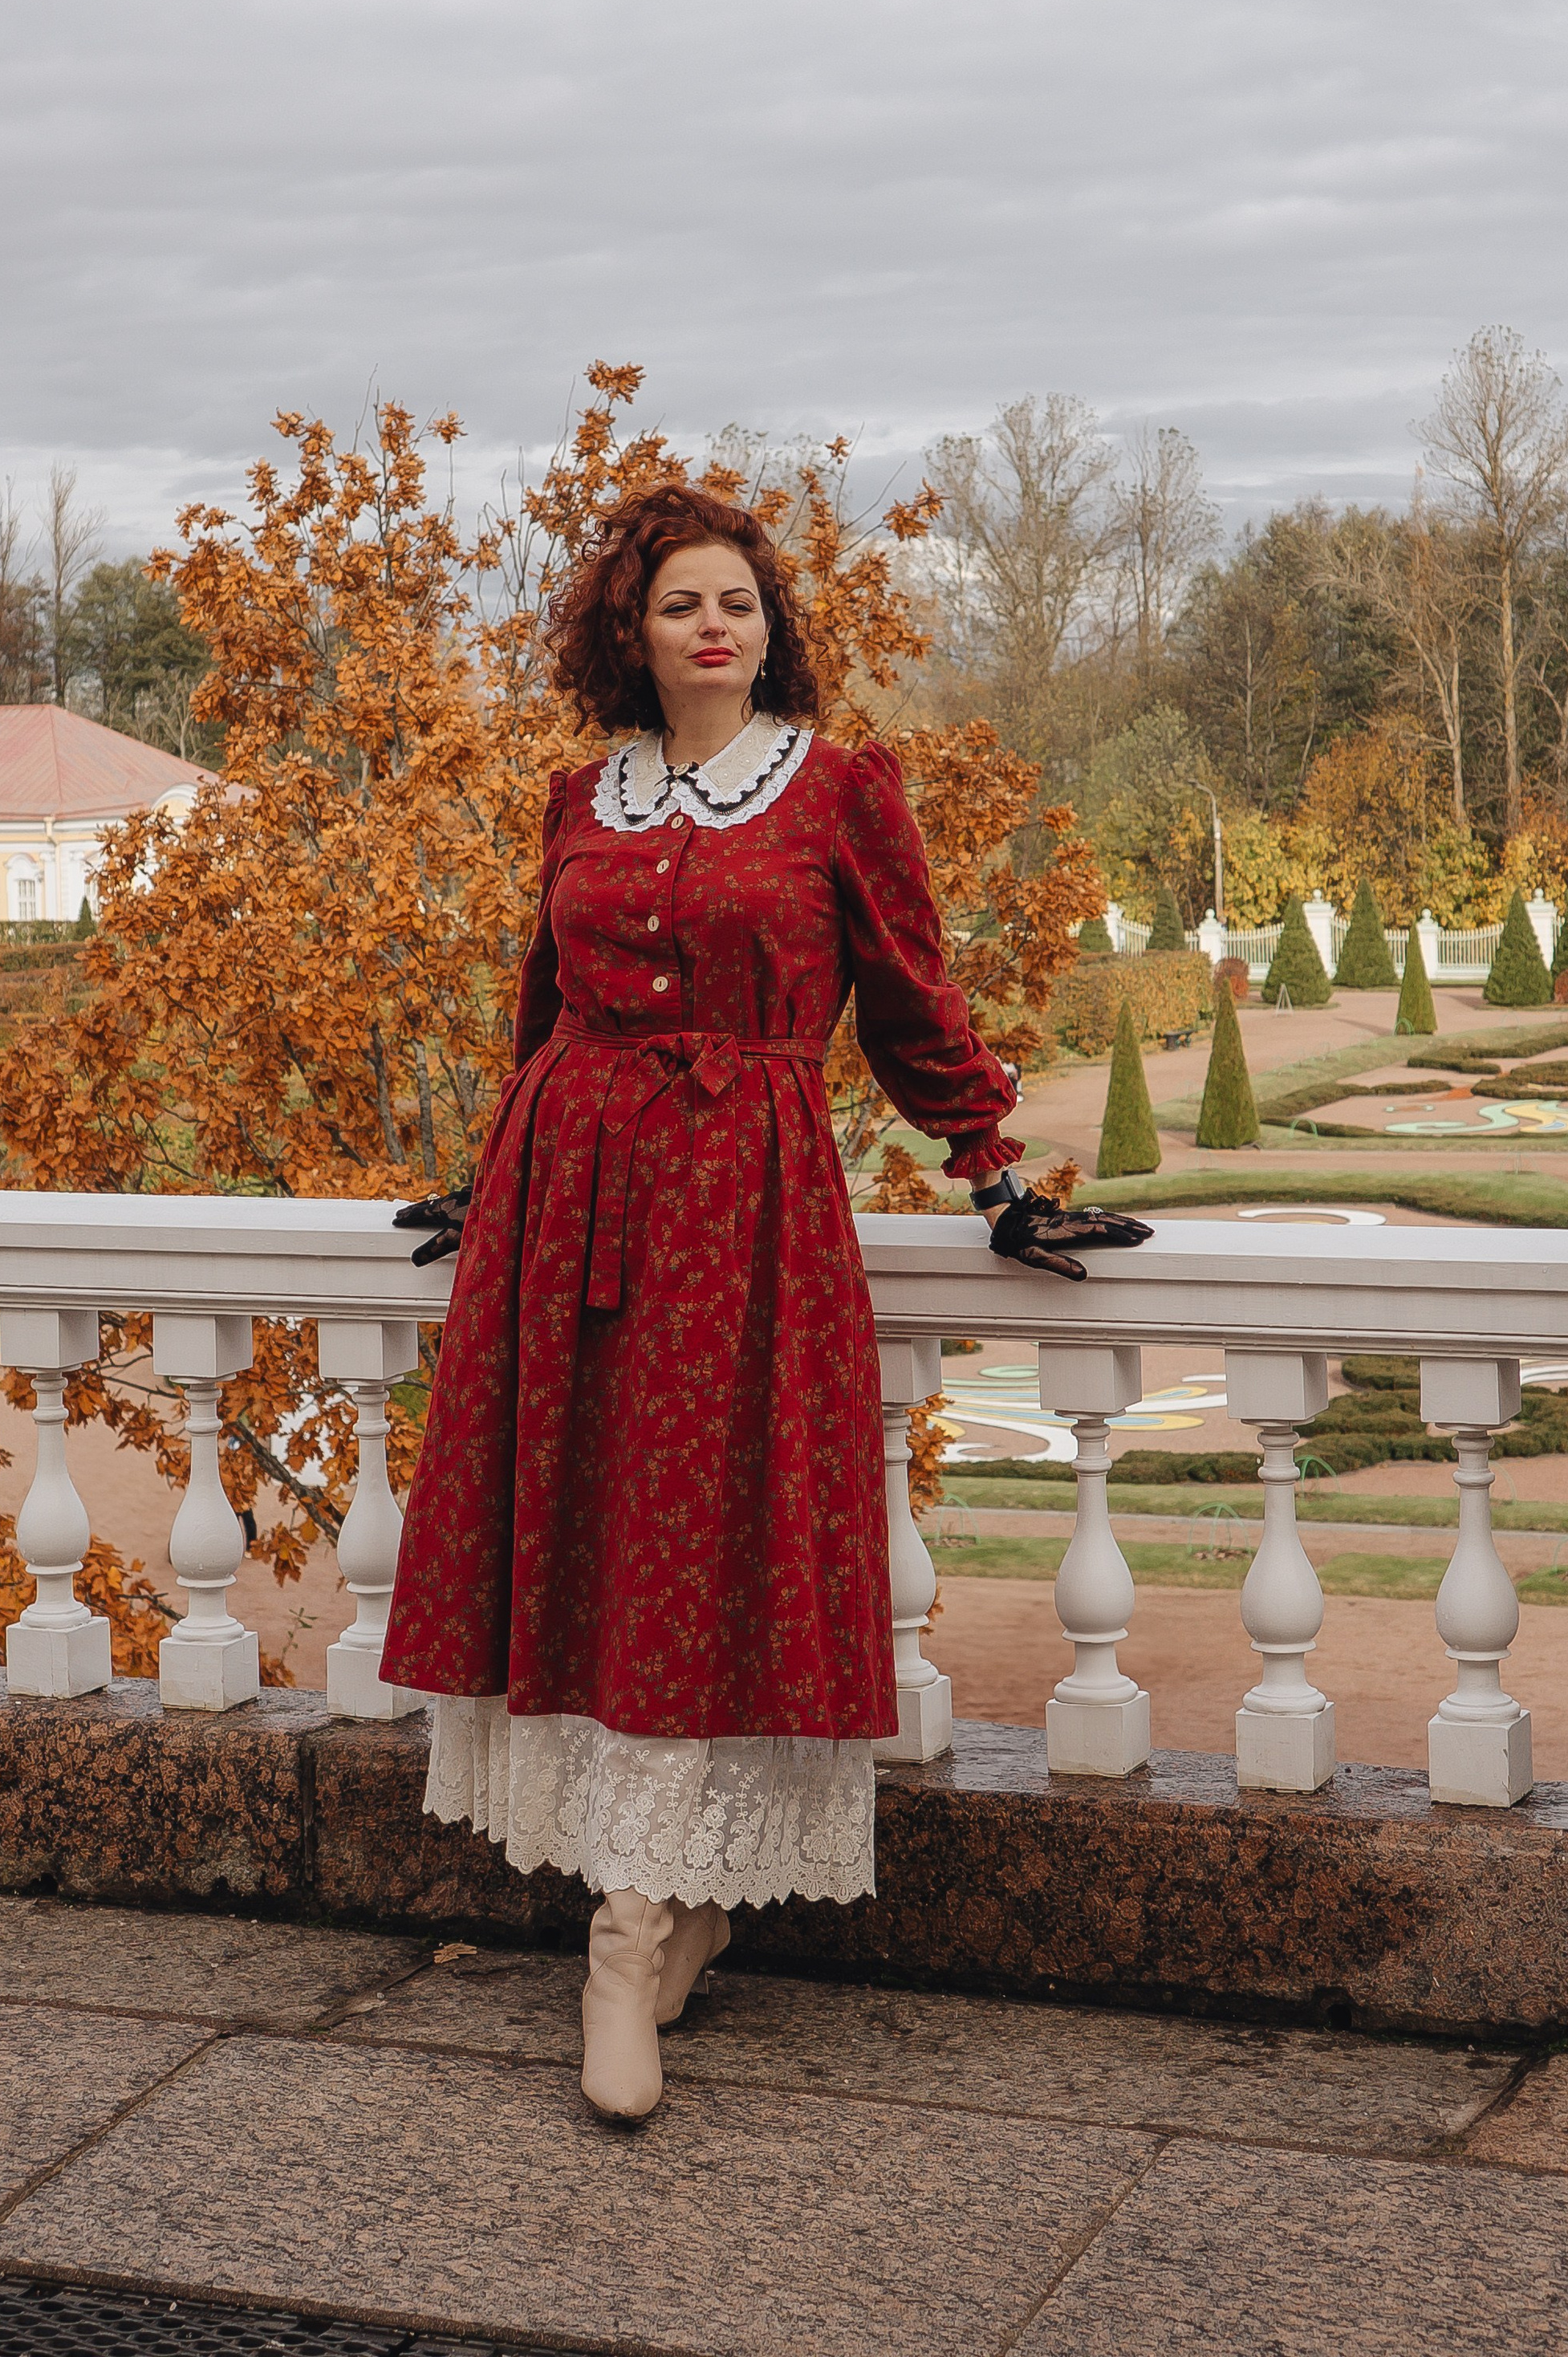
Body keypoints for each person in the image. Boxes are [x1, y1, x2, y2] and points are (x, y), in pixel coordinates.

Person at [380, 482, 1138, 2120]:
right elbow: (543, 997)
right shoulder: (579, 793)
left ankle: (634, 1929)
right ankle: (657, 1916)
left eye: (735, 602)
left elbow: (908, 995)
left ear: (767, 626)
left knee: (702, 1547)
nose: (712, 628)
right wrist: (486, 1169)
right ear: (630, 634)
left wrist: (991, 1169)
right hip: (567, 1194)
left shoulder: (841, 792)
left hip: (747, 1207)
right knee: (594, 1542)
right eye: (678, 606)